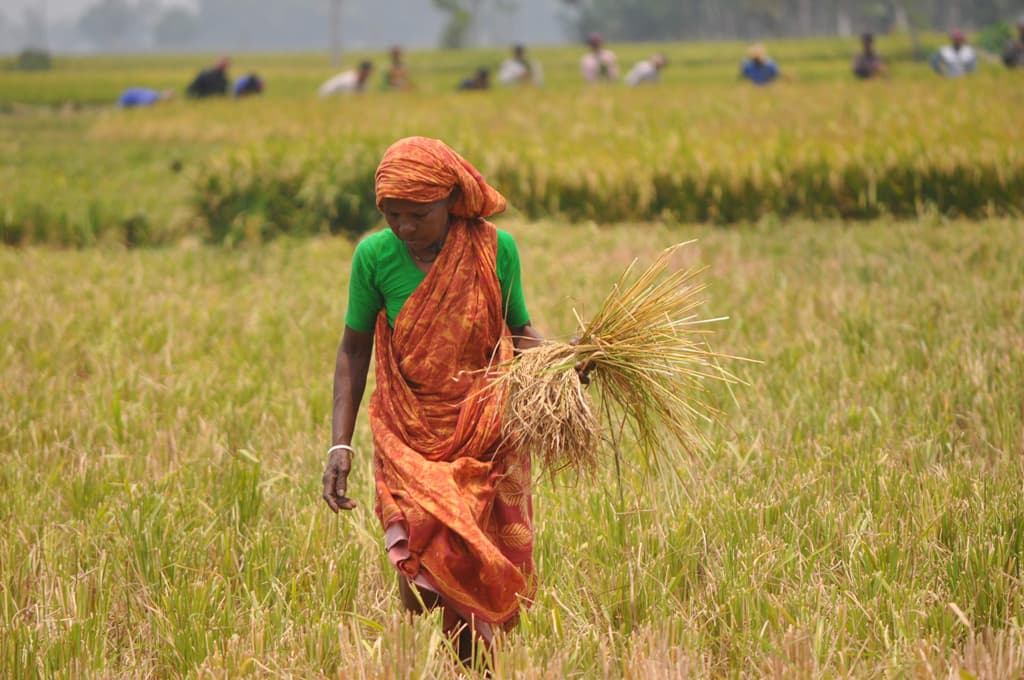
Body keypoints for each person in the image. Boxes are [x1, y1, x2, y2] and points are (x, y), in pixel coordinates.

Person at [321, 136, 546, 664]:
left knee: (478, 563)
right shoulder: (374, 257)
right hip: (410, 431)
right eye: (392, 215)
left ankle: (474, 667)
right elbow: (353, 352)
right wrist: (339, 447)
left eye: (418, 215)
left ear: (450, 199)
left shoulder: (494, 249)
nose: (404, 228)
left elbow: (522, 329)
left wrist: (561, 369)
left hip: (486, 426)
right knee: (422, 578)